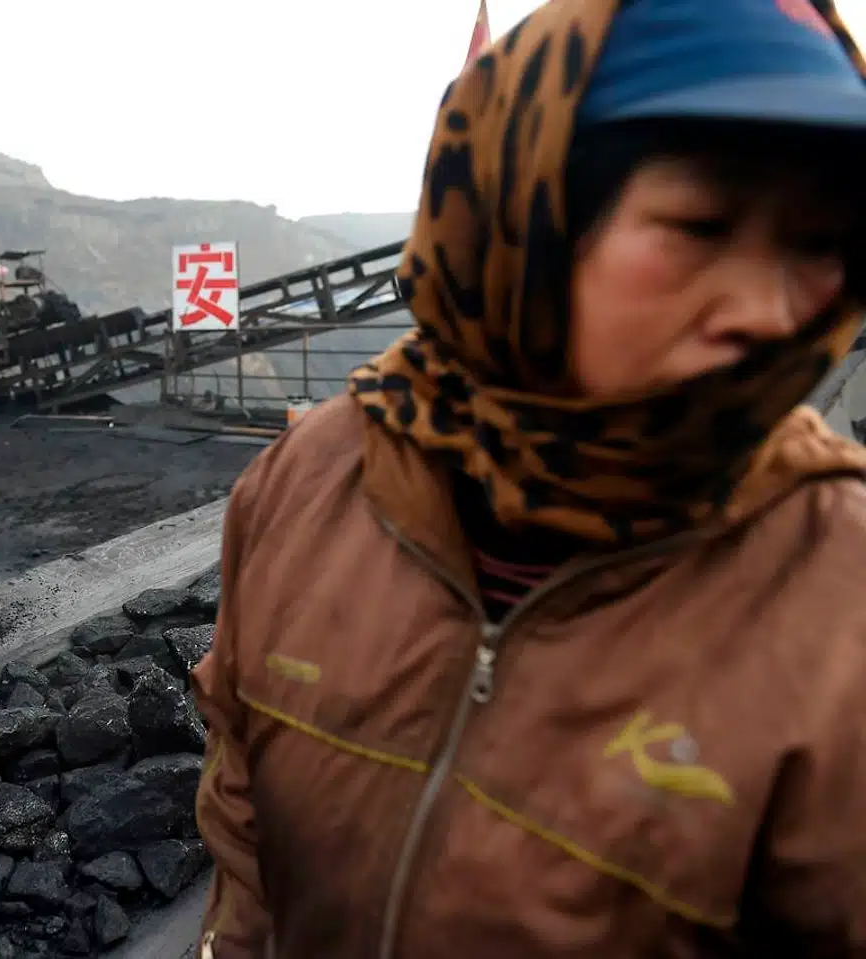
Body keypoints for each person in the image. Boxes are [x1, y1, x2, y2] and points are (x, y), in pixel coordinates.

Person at [193, 0, 866, 955]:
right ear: (530, 224)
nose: (770, 309)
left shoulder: (838, 592)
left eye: (818, 244)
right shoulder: (309, 484)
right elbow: (243, 805)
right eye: (700, 223)